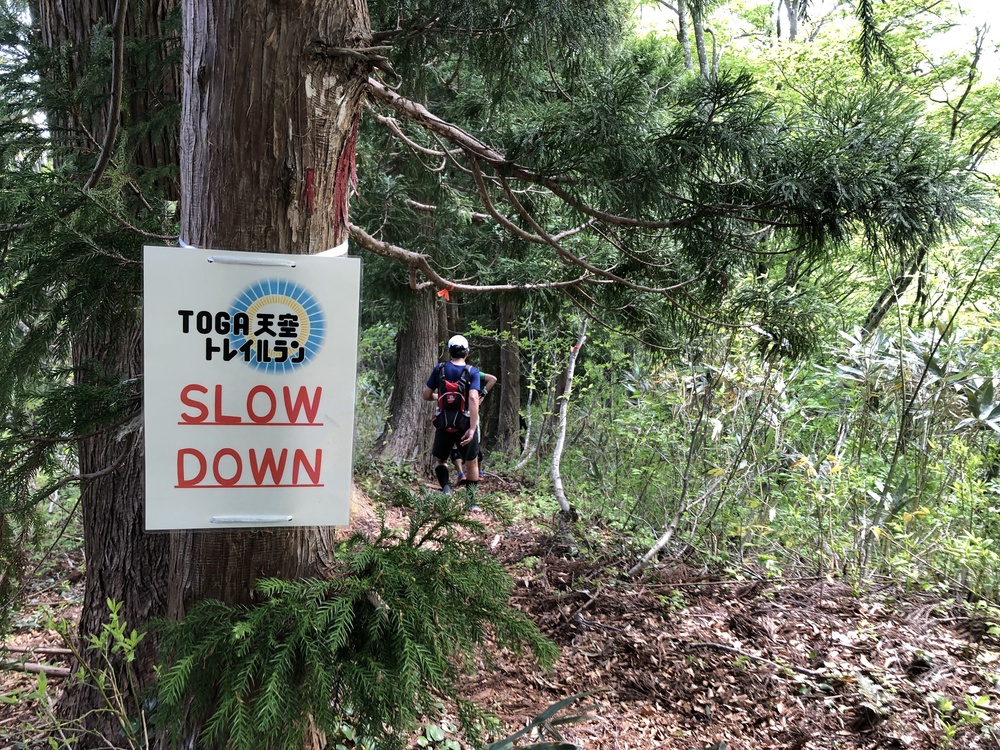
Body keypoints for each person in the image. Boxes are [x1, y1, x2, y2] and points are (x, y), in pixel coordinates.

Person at [423, 334, 482, 496]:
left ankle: (447, 490)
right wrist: (472, 428)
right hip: (464, 424)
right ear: (467, 352)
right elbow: (473, 397)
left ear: (450, 351)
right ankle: (471, 503)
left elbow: (426, 395)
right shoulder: (472, 371)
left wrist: (440, 396)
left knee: (441, 461)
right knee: (472, 463)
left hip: (444, 423)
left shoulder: (439, 369)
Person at [452, 371, 497, 482]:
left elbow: (493, 378)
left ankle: (461, 474)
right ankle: (476, 474)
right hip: (470, 414)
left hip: (452, 416)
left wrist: (482, 395)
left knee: (455, 447)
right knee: (474, 445)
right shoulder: (473, 372)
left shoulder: (447, 371)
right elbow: (493, 378)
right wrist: (483, 394)